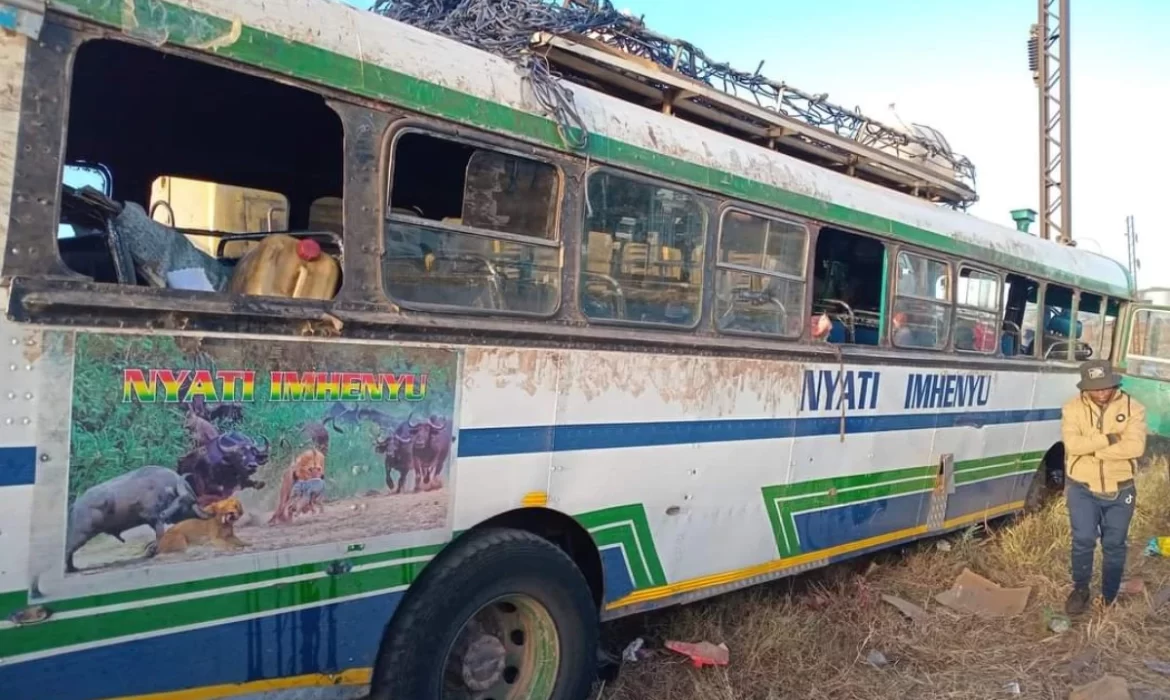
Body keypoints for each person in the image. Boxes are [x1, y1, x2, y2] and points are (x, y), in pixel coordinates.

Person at [1060, 360, 1148, 614]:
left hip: (1121, 489)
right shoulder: (1072, 408)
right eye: (1095, 388)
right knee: (1083, 540)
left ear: (1114, 383)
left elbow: (1135, 448)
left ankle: (1109, 595)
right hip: (1082, 487)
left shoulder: (1133, 408)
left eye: (1105, 387)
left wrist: (1094, 451)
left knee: (1115, 543)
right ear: (1085, 387)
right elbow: (1073, 446)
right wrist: (1110, 439)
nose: (1101, 393)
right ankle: (1080, 589)